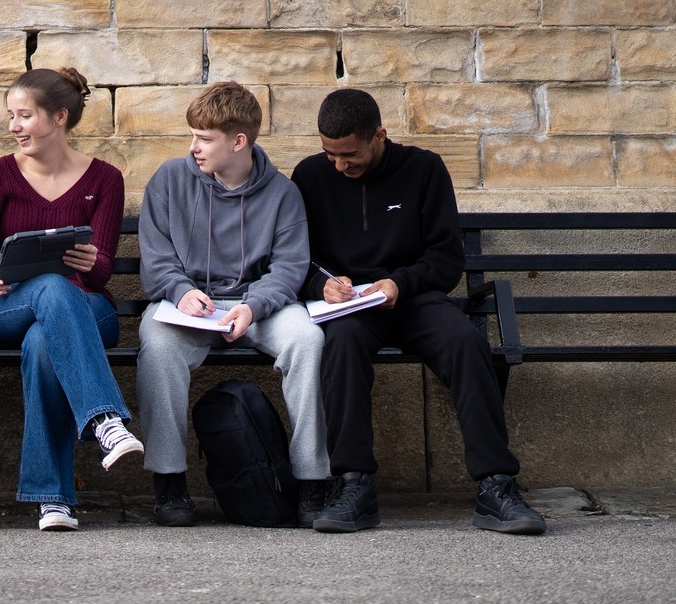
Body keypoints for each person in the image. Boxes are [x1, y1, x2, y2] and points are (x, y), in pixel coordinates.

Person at [291, 88, 545, 535]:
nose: (339, 165)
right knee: (342, 345)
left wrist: (399, 282)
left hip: (414, 298)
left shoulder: (424, 169)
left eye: (349, 154)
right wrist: (323, 284)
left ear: (379, 136)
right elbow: (297, 257)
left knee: (466, 341)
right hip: (350, 307)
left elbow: (446, 258)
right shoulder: (310, 176)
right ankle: (353, 485)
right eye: (329, 154)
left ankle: (497, 485)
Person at [0, 67, 143, 532]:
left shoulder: (105, 179)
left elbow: (101, 273)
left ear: (58, 117)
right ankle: (105, 421)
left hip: (87, 310)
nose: (14, 126)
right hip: (7, 308)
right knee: (50, 291)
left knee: (43, 343)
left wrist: (88, 258)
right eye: (10, 116)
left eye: (24, 116)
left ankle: (52, 499)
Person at [136, 82, 330, 528]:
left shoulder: (282, 193)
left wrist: (255, 305)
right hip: (187, 304)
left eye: (204, 139)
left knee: (307, 340)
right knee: (159, 347)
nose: (194, 148)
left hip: (258, 303)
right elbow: (158, 256)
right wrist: (180, 290)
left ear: (238, 142)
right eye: (193, 136)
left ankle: (313, 480)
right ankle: (169, 482)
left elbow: (289, 267)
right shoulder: (170, 179)